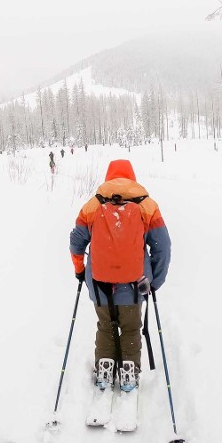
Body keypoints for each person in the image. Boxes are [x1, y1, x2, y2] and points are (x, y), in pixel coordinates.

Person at [69, 159, 171, 393]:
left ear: (109, 177)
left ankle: (104, 370)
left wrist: (80, 271)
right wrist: (155, 281)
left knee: (105, 325)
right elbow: (163, 247)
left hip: (99, 283)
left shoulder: (92, 205)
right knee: (131, 328)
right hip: (135, 285)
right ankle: (128, 373)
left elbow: (76, 243)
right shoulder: (148, 206)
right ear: (132, 177)